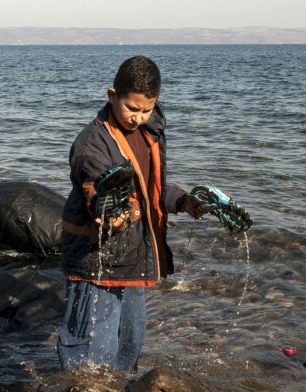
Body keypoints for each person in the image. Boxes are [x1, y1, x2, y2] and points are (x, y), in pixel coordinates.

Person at [56, 55, 202, 373]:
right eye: (131, 109)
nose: (138, 117)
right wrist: (112, 214)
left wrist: (184, 201)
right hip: (95, 259)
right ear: (112, 96)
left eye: (146, 110)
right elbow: (95, 190)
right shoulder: (91, 144)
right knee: (92, 348)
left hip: (133, 257)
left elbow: (151, 185)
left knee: (130, 341)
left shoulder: (148, 135)